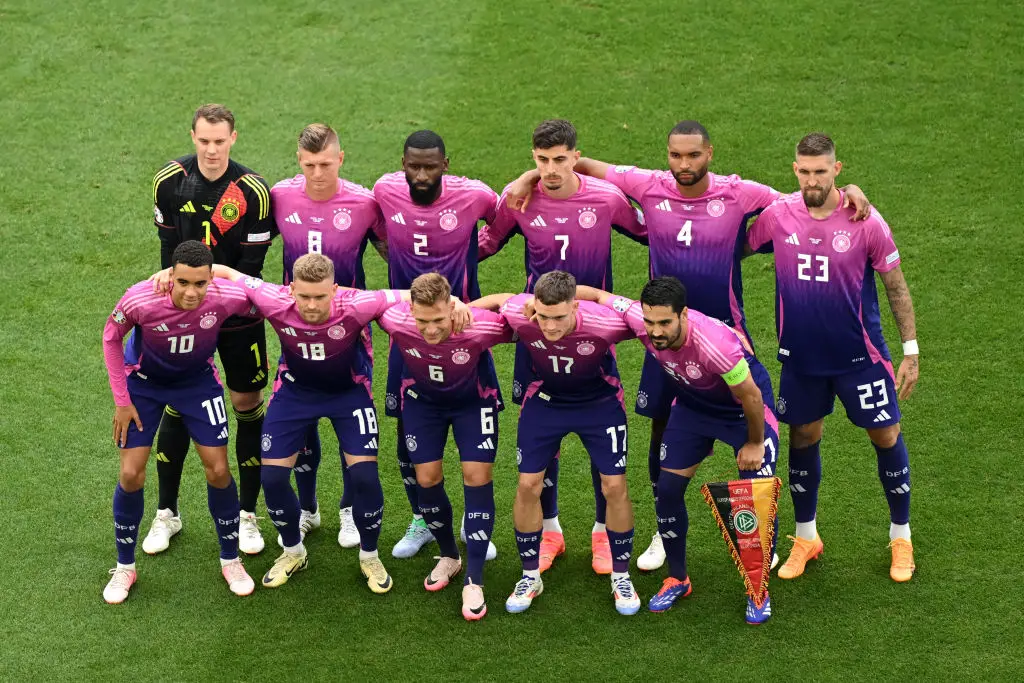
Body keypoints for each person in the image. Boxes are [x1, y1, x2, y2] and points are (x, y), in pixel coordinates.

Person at [503, 119, 871, 571]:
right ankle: (663, 531)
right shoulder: (649, 185)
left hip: (724, 336)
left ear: (709, 153)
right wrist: (529, 176)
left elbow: (804, 200)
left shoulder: (739, 192)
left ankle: (764, 538)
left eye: (693, 155)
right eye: (675, 155)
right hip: (662, 337)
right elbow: (593, 166)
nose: (683, 164)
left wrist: (848, 189)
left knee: (746, 419)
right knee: (660, 428)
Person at [746, 132, 919, 583]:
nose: (812, 180)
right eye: (803, 171)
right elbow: (737, 243)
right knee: (803, 436)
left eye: (820, 171)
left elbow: (895, 286)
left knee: (885, 435)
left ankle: (901, 536)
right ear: (794, 171)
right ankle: (806, 537)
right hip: (801, 360)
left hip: (859, 358)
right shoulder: (779, 215)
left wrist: (910, 351)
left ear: (837, 170)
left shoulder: (865, 219)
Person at [478, 119, 648, 576]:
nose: (550, 169)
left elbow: (652, 233)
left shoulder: (606, 198)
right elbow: (487, 243)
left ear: (576, 156)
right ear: (532, 158)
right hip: (539, 333)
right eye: (541, 160)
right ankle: (549, 529)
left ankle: (600, 532)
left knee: (602, 444)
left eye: (559, 159)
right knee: (541, 443)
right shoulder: (519, 200)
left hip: (592, 332)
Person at [575, 277, 780, 624]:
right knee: (667, 491)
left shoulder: (714, 343)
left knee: (752, 498)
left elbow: (752, 396)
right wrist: (544, 303)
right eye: (650, 322)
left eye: (665, 323)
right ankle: (678, 577)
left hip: (741, 413)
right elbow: (594, 294)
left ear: (683, 315)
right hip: (692, 409)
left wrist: (754, 442)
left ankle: (757, 590)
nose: (655, 331)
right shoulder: (642, 320)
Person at [144, 104, 276, 556]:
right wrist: (181, 301)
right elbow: (166, 251)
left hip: (237, 317)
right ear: (193, 136)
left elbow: (251, 269)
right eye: (204, 141)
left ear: (233, 138)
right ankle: (167, 513)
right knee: (180, 399)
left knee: (246, 402)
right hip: (182, 314)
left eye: (220, 141)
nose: (212, 149)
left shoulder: (254, 192)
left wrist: (209, 295)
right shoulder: (169, 181)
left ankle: (246, 516)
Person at [473, 271, 642, 616]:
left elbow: (647, 319)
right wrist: (462, 309)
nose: (549, 327)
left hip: (600, 404)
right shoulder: (523, 312)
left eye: (559, 318)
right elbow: (496, 300)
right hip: (546, 403)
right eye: (543, 317)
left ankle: (622, 577)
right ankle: (530, 575)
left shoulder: (605, 323)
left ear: (575, 307)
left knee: (615, 486)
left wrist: (601, 294)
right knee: (527, 485)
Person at [102, 241, 257, 604]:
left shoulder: (224, 295)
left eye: (200, 283)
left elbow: (269, 297)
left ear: (210, 280)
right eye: (183, 282)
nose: (191, 292)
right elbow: (111, 338)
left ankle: (231, 559)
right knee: (130, 474)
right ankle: (125, 567)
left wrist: (227, 274)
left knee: (218, 470)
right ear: (170, 276)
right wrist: (122, 402)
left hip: (198, 384)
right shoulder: (141, 299)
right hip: (144, 387)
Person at [373, 130, 502, 560]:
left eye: (431, 166)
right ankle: (423, 520)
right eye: (415, 165)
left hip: (463, 331)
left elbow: (501, 227)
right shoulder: (385, 189)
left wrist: (468, 256)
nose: (422, 174)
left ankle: (471, 518)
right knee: (407, 432)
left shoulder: (474, 196)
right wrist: (394, 263)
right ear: (403, 162)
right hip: (409, 335)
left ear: (446, 164)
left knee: (475, 432)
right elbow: (376, 231)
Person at [271, 123, 388, 550]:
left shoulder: (364, 203)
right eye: (309, 165)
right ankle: (307, 510)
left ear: (341, 158)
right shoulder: (280, 196)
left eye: (325, 163)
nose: (317, 173)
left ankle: (347, 510)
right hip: (294, 330)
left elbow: (393, 253)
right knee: (298, 419)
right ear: (298, 161)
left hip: (349, 333)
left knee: (350, 420)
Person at [377, 273, 515, 620]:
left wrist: (471, 305)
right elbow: (358, 300)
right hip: (424, 405)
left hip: (474, 404)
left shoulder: (477, 324)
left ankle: (475, 579)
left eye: (439, 319)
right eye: (423, 320)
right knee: (426, 479)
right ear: (410, 310)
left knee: (476, 475)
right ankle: (450, 556)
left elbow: (516, 305)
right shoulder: (396, 318)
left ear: (450, 308)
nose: (432, 329)